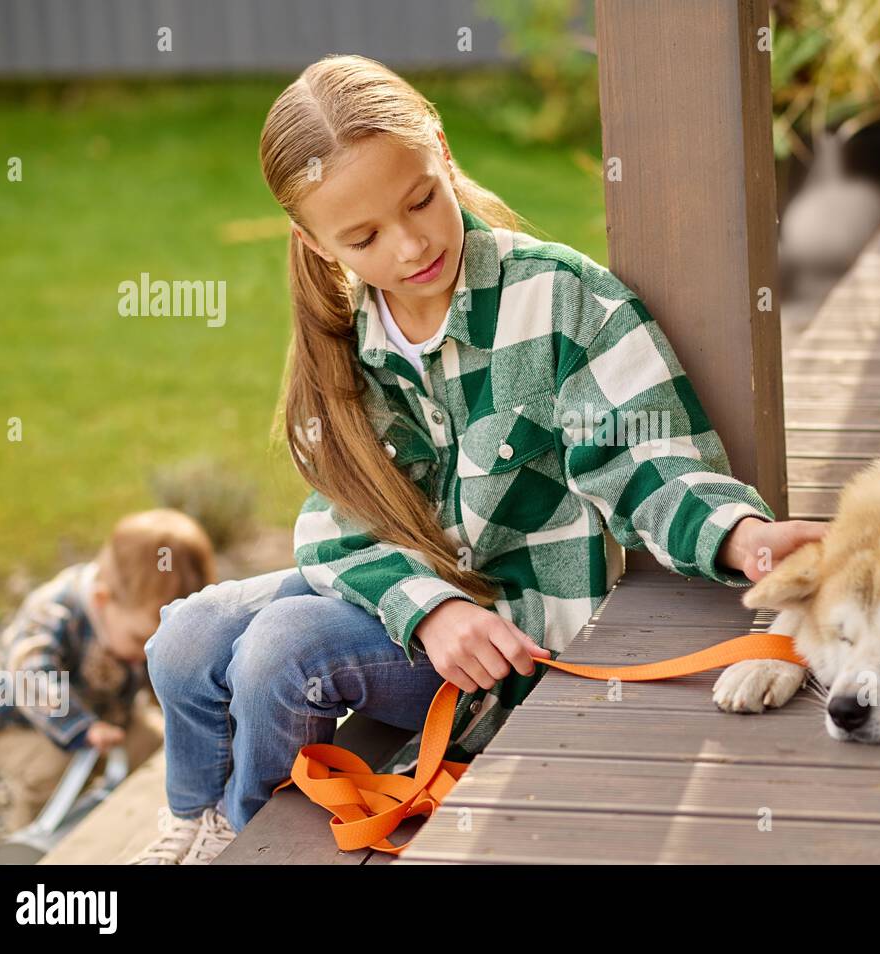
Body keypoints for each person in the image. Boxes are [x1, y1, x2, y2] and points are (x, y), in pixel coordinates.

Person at [131, 54, 826, 865]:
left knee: (279, 651)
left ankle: (249, 840)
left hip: (512, 635)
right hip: (420, 596)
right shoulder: (345, 341)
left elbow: (645, 461)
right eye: (363, 238)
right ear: (315, 244)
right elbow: (337, 525)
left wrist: (739, 534)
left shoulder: (561, 300)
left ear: (443, 151)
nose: (412, 243)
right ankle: (195, 820)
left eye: (421, 198)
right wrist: (425, 606)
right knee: (184, 632)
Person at [0, 509, 216, 835]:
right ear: (102, 600)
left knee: (157, 746)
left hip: (104, 717)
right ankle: (32, 842)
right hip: (21, 721)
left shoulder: (133, 616)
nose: (148, 651)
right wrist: (81, 726)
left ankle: (121, 826)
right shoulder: (53, 611)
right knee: (56, 772)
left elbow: (165, 679)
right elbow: (29, 676)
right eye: (141, 639)